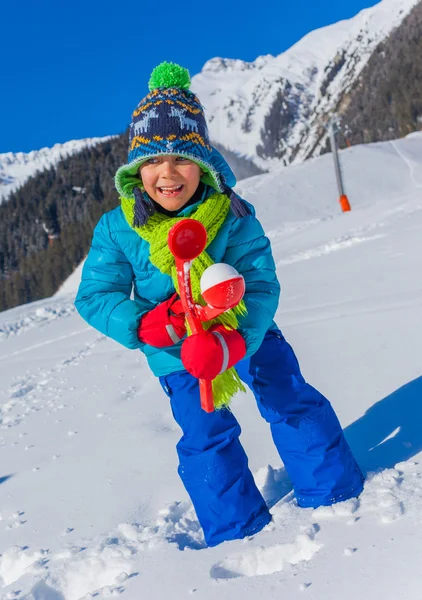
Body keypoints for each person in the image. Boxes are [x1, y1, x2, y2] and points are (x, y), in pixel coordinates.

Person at [75, 62, 364, 547]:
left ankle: (334, 492)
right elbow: (95, 296)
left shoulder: (231, 213)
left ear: (203, 163)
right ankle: (236, 530)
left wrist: (236, 340)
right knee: (204, 434)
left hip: (246, 336)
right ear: (135, 170)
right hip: (176, 355)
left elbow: (260, 281)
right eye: (151, 161)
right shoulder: (117, 228)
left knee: (288, 397)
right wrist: (149, 325)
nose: (166, 174)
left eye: (180, 159)